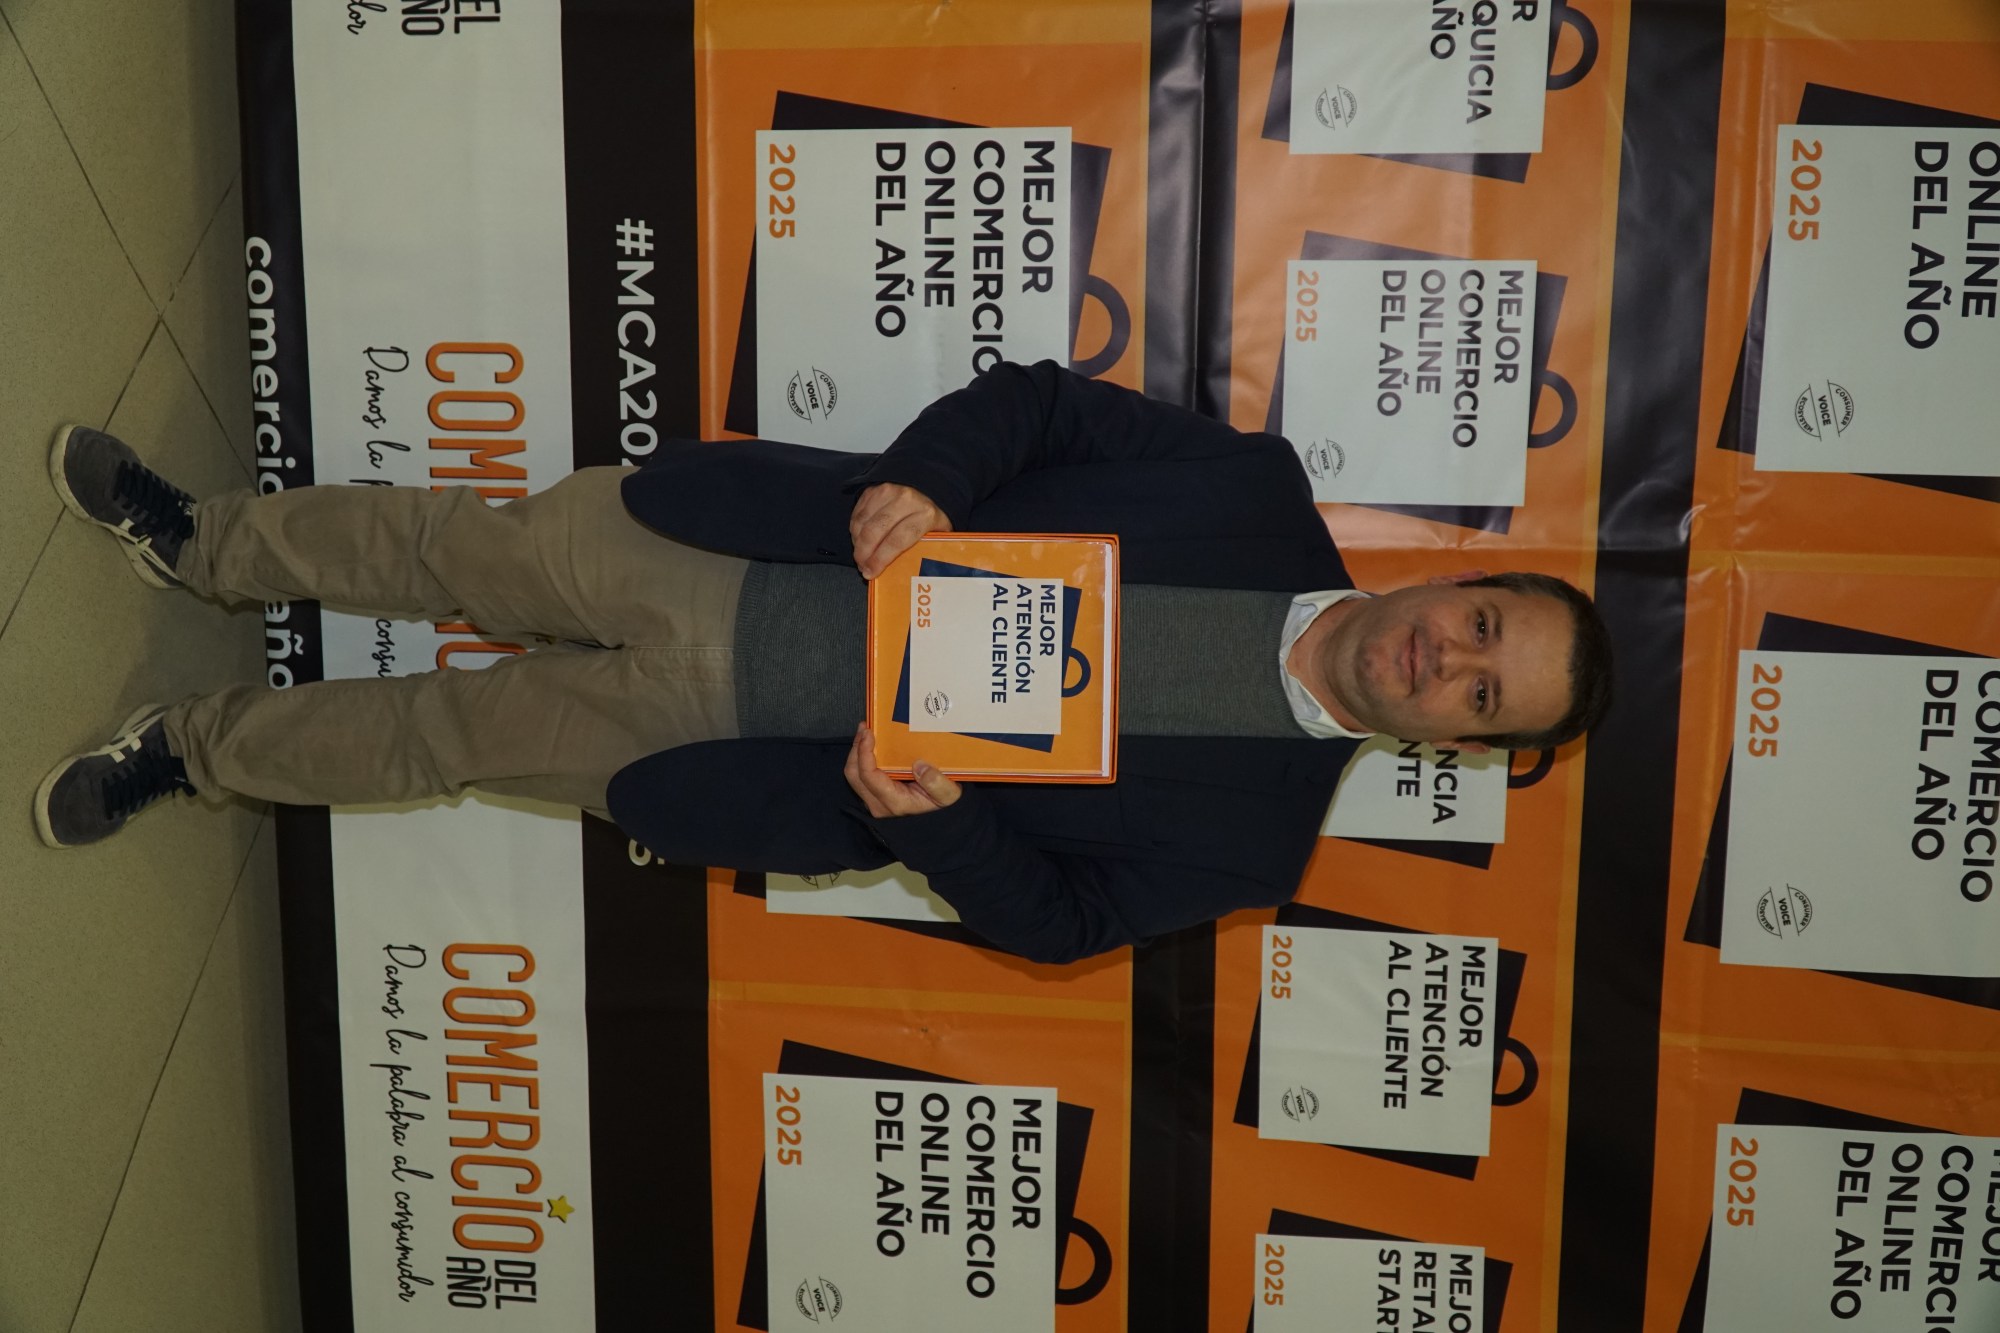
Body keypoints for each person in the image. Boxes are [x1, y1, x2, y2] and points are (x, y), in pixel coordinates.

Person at [35, 360, 1612, 962]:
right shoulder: (1256, 495)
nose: (1446, 659)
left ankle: (189, 749)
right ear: (1462, 576)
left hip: (740, 753)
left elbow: (1063, 923)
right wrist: (930, 479)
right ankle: (199, 537)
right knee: (451, 544)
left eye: (1483, 696)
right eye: (1485, 623)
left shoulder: (1258, 843)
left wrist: (944, 829)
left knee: (440, 737)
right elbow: (1044, 407)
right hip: (743, 543)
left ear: (1457, 746)